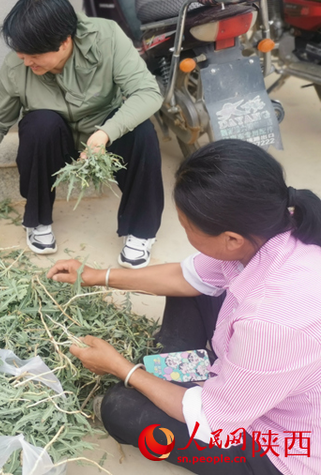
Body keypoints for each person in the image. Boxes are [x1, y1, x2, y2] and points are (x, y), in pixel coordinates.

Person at [47, 139, 321, 474]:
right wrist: (94, 275)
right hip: (264, 372)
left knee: (121, 410)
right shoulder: (274, 226)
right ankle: (178, 371)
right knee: (192, 290)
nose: (185, 232)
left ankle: (172, 377)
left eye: (187, 227)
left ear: (232, 239)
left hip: (284, 445)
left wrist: (122, 368)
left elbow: (213, 419)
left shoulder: (272, 322)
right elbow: (185, 276)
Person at [0, 0, 164, 267]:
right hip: (56, 142)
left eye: (34, 55)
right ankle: (38, 221)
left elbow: (148, 93)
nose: (26, 62)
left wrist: (105, 133)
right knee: (39, 125)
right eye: (21, 54)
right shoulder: (18, 65)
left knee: (142, 133)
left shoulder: (107, 38)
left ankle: (140, 232)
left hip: (102, 137)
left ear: (65, 42)